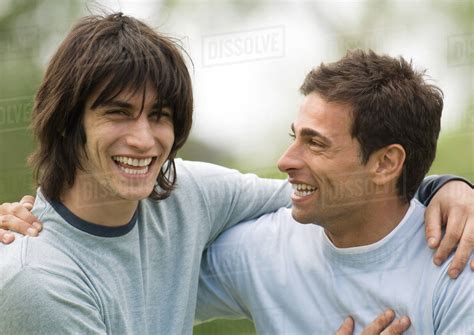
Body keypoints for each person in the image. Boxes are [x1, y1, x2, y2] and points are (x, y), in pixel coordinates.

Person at [0, 14, 472, 335]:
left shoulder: (188, 196)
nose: (144, 140)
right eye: (118, 113)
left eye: (160, 116)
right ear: (67, 121)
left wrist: (442, 187)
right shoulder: (38, 281)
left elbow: (328, 195)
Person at [196, 50, 474, 334]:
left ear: (385, 163)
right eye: (296, 137)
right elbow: (154, 292)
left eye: (315, 143)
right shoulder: (261, 249)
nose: (285, 162)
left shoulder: (459, 272)